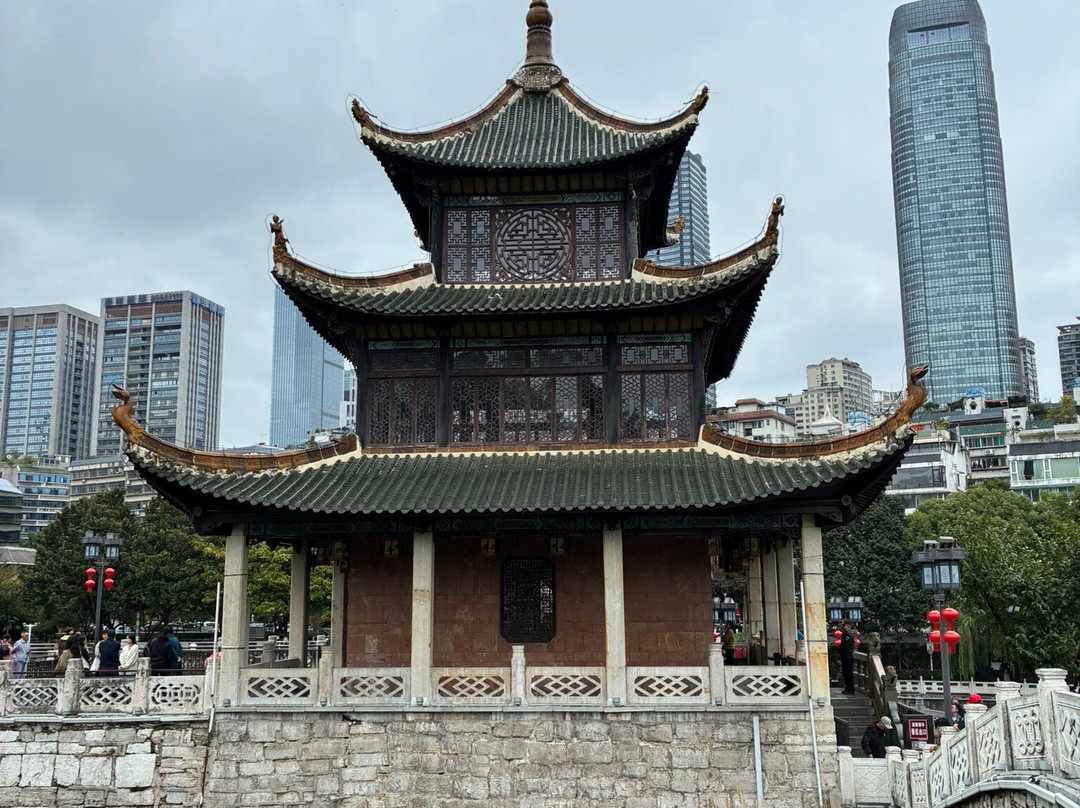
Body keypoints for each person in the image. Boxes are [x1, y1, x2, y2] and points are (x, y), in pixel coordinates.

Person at [839, 622, 856, 694]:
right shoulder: (845, 634)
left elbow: (845, 645)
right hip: (844, 655)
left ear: (848, 627)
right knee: (845, 672)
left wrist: (840, 649)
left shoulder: (849, 635)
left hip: (848, 655)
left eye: (845, 626)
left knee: (848, 672)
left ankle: (850, 688)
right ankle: (848, 687)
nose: (843, 627)